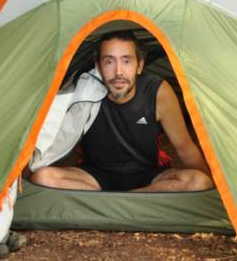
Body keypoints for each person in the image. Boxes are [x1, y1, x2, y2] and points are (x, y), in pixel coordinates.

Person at [30, 31, 214, 193]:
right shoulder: (84, 91)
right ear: (99, 67)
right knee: (43, 177)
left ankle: (128, 197)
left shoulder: (157, 91)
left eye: (126, 61)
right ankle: (126, 201)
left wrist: (209, 188)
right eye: (109, 62)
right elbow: (48, 135)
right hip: (93, 177)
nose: (118, 71)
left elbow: (185, 148)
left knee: (199, 181)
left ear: (139, 65)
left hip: (149, 177)